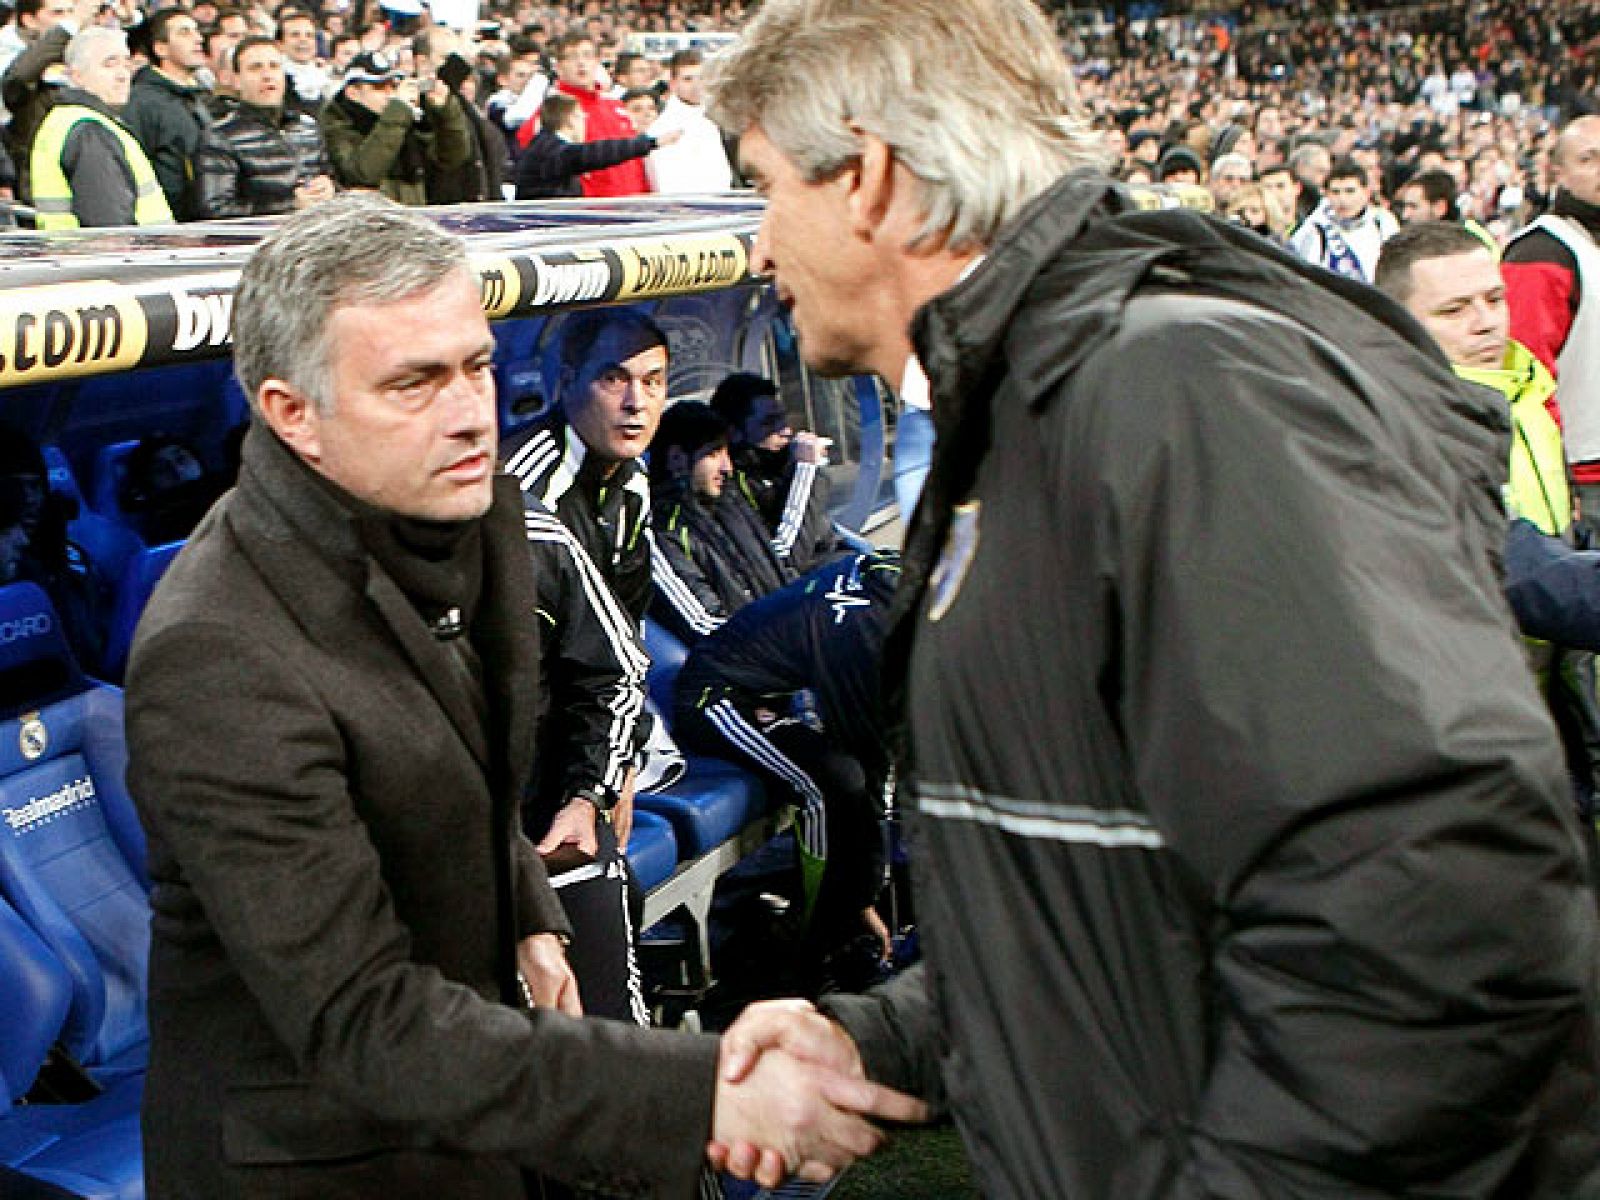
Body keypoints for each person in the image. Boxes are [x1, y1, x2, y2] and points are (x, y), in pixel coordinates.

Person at [702, 1, 1600, 1196]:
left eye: (765, 186)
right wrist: (895, 1033)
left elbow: (1443, 922)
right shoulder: (1041, 408)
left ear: (867, 178)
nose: (759, 246)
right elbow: (1123, 876)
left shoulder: (1179, 393)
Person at [124, 193, 922, 1199]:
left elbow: (468, 777)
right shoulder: (218, 654)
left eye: (476, 367)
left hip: (473, 1111)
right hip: (321, 1162)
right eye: (413, 382)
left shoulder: (486, 517)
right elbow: (362, 1018)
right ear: (293, 414)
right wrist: (705, 1091)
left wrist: (530, 914)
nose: (469, 411)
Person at [1376, 219, 1600, 836]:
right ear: (1396, 321)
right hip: (1466, 723)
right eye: (1453, 309)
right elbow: (1515, 567)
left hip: (1546, 696)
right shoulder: (1407, 420)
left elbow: (1548, 533)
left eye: (1493, 299)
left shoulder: (1524, 391)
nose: (1484, 322)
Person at [674, 550, 901, 990]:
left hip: (770, 698)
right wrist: (863, 896)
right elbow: (870, 763)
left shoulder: (886, 583)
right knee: (829, 785)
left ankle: (837, 916)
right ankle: (816, 938)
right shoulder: (859, 636)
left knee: (849, 781)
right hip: (715, 698)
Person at [501, 309, 669, 625]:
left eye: (652, 382)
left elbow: (630, 604)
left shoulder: (635, 477)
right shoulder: (524, 486)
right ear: (567, 383)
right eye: (613, 379)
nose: (636, 402)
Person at [1505, 115, 1600, 519]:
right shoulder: (1542, 253)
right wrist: (1555, 473)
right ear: (1555, 172)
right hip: (1584, 476)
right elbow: (1525, 376)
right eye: (1590, 159)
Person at [648, 400, 789, 644]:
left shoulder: (731, 505)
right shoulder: (664, 533)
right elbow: (706, 626)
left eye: (726, 453)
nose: (727, 468)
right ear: (677, 459)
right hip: (752, 663)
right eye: (713, 454)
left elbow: (782, 574)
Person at [30, 25, 173, 228]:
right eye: (109, 64)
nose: (123, 75)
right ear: (77, 76)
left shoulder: (70, 120)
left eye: (126, 64)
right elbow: (109, 229)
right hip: (129, 256)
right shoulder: (88, 131)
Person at [710, 372, 839, 574]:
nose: (786, 431)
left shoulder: (778, 466)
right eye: (769, 423)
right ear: (733, 433)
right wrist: (807, 472)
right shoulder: (730, 485)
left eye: (782, 419)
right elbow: (785, 559)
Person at [194, 34, 336, 218]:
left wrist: (331, 190)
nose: (267, 75)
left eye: (274, 66)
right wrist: (290, 205)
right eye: (255, 68)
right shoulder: (220, 136)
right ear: (236, 79)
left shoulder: (308, 127)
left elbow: (330, 178)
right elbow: (215, 209)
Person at [320, 48, 471, 206]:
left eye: (392, 86)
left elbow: (451, 157)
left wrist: (445, 111)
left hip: (412, 215)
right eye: (378, 87)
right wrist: (398, 110)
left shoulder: (402, 117)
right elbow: (362, 174)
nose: (390, 94)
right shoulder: (339, 124)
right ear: (352, 93)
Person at [517, 31, 649, 198]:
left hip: (633, 209)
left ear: (597, 62)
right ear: (558, 67)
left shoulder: (616, 107)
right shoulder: (550, 114)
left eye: (587, 56)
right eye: (572, 57)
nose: (581, 63)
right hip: (589, 214)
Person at [122, 7, 211, 220]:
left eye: (196, 31)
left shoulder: (201, 96)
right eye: (184, 32)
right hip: (169, 227)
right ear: (161, 48)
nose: (198, 39)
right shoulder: (142, 102)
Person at [514, 89, 671, 201]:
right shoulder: (552, 150)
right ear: (570, 119)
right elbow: (596, 153)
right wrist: (650, 143)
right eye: (581, 117)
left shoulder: (544, 144)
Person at [1289, 154, 1399, 281]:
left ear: (1366, 193)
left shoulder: (1384, 222)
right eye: (1335, 192)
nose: (1342, 199)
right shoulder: (1313, 228)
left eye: (1350, 191)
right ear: (1326, 194)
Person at [646, 48, 734, 194]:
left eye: (701, 78)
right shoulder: (662, 128)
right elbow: (665, 182)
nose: (696, 85)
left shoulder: (710, 121)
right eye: (687, 79)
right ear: (673, 84)